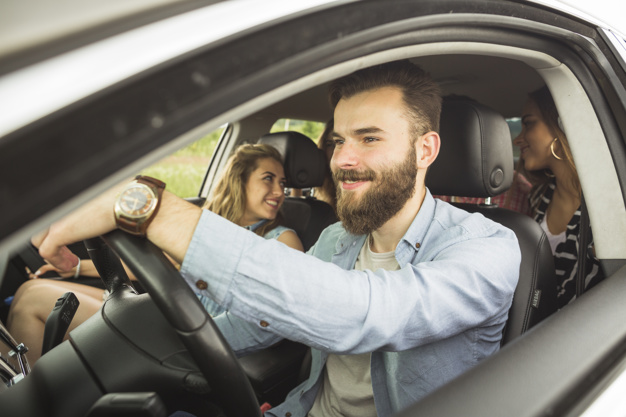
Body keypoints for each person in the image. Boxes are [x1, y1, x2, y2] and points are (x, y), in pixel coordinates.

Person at [32, 60, 520, 417]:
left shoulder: (487, 249)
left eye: (369, 138)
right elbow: (257, 326)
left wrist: (156, 210)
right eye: (337, 141)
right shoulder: (336, 239)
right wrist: (146, 335)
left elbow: (365, 313)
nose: (342, 160)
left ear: (425, 150)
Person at [7, 143, 303, 365]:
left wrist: (192, 340)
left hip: (188, 336)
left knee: (33, 301)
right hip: (159, 312)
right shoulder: (206, 224)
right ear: (239, 180)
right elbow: (146, 267)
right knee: (27, 290)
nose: (279, 191)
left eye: (283, 183)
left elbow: (273, 315)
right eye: (268, 178)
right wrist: (71, 269)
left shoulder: (282, 238)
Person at [513, 86, 603, 308]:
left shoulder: (605, 209)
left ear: (562, 125)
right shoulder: (536, 197)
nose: (518, 139)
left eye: (529, 123)